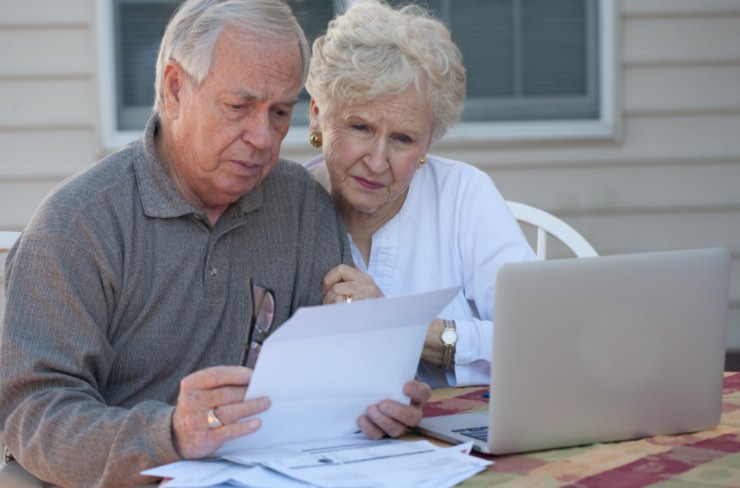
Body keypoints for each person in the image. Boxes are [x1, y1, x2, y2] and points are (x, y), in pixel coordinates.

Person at [0, 1, 430, 486]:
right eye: (239, 107)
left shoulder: (302, 207)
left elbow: (324, 384)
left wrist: (372, 400)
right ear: (175, 88)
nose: (263, 137)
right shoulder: (78, 225)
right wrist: (171, 435)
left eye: (280, 112)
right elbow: (31, 413)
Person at [305, 0, 537, 388]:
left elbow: (540, 335)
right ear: (317, 115)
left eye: (403, 139)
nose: (378, 162)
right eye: (360, 127)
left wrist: (403, 327)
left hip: (467, 435)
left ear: (429, 141)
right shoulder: (287, 208)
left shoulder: (463, 195)